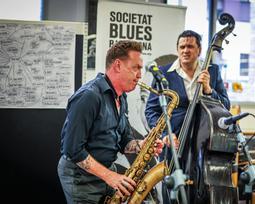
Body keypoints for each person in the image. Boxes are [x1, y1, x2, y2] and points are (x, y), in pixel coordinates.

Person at [57, 40, 164, 204]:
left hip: (105, 171)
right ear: (118, 65)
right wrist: (111, 177)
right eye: (135, 67)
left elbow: (124, 140)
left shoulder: (121, 96)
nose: (140, 75)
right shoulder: (89, 96)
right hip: (80, 178)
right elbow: (72, 149)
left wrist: (141, 145)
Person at [145, 30, 230, 203]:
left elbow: (225, 106)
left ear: (199, 50)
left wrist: (208, 90)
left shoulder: (212, 72)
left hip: (204, 144)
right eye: (182, 47)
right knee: (171, 192)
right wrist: (164, 134)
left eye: (190, 46)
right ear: (177, 49)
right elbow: (151, 111)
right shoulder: (164, 73)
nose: (185, 50)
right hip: (174, 143)